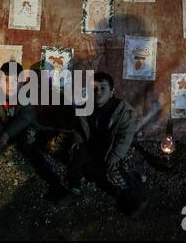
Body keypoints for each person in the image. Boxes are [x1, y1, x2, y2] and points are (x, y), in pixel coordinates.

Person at [58, 72, 148, 217]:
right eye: (94, 88)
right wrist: (77, 139)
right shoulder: (84, 107)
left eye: (102, 88)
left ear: (112, 92)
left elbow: (125, 137)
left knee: (116, 171)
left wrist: (116, 155)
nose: (97, 92)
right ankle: (74, 189)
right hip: (92, 146)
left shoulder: (123, 111)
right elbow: (78, 128)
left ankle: (134, 199)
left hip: (112, 148)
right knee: (77, 155)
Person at [0, 62, 64, 192]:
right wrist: (1, 133)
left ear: (22, 81)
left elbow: (25, 118)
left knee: (26, 144)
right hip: (6, 126)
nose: (10, 85)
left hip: (25, 126)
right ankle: (2, 145)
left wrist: (6, 134)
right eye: (6, 80)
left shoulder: (27, 94)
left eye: (15, 81)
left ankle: (51, 180)